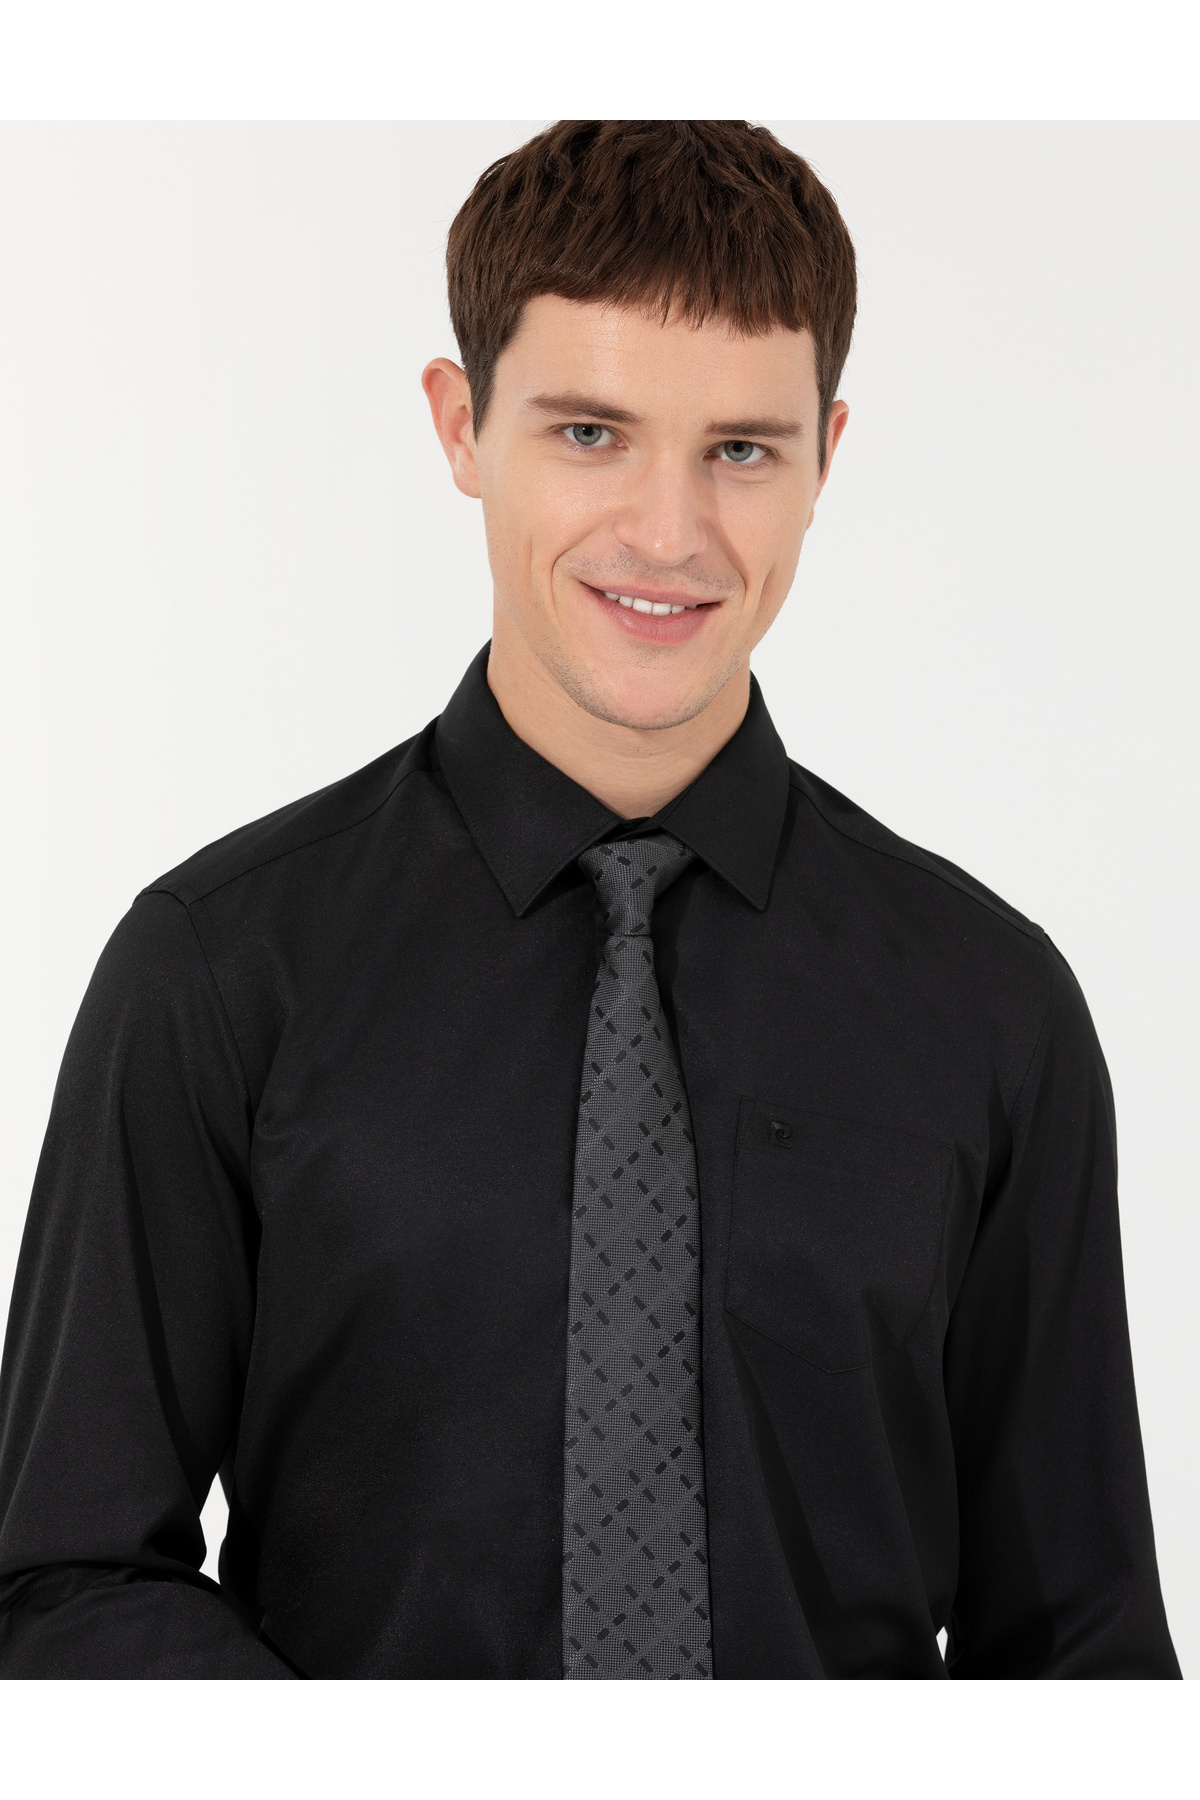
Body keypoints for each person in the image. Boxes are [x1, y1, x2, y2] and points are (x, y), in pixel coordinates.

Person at [0, 119, 1179, 1681]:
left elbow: (1081, 1655)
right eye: (590, 433)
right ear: (460, 424)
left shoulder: (992, 1007)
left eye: (741, 451)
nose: (670, 535)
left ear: (827, 456)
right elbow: (63, 1577)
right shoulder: (218, 972)